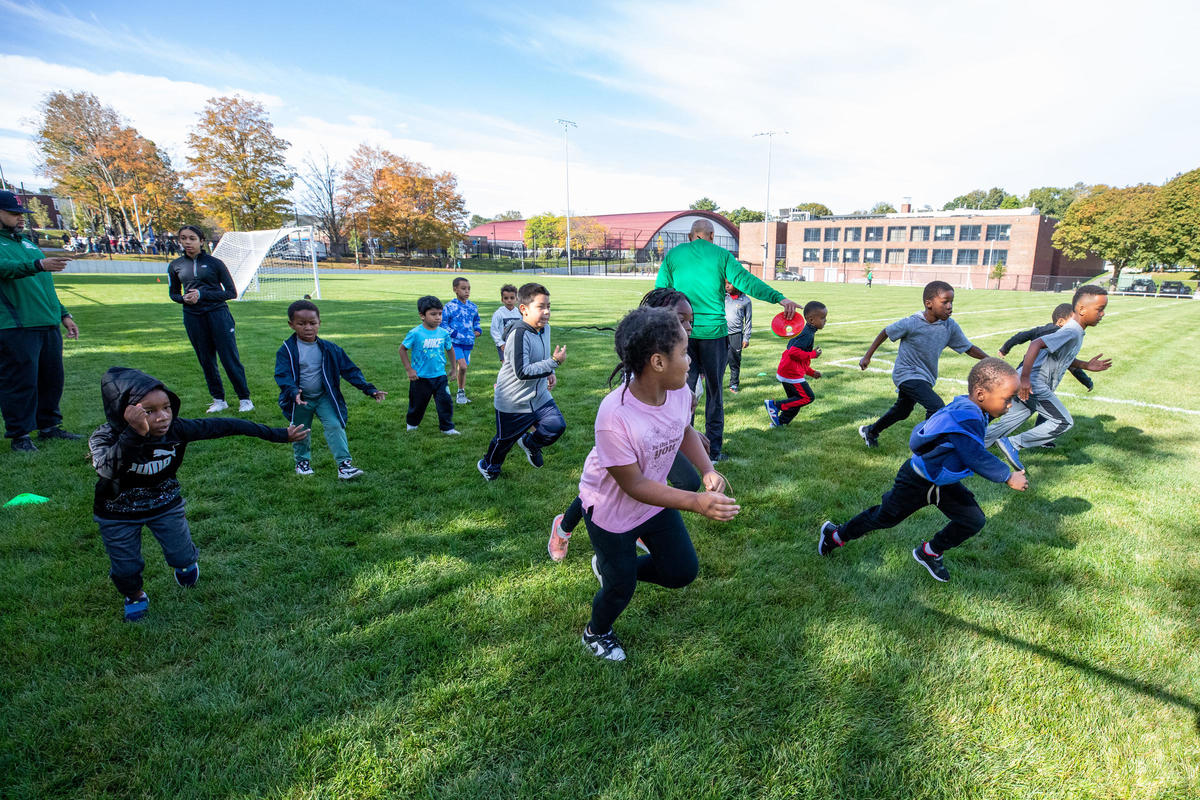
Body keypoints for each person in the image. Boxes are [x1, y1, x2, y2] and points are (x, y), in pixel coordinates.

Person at [576, 306, 740, 661]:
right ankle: (596, 631)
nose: (689, 360)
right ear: (657, 362)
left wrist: (707, 469)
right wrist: (695, 501)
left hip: (654, 500)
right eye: (683, 352)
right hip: (611, 510)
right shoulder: (614, 415)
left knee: (681, 571)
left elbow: (683, 431)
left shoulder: (679, 391)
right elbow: (632, 484)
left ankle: (613, 568)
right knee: (620, 588)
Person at [89, 367, 307, 621]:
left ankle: (185, 564)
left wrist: (280, 434)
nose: (162, 417)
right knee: (125, 567)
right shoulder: (105, 437)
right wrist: (134, 433)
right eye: (149, 411)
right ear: (124, 411)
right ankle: (135, 595)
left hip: (165, 504)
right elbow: (107, 469)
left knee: (181, 555)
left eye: (166, 407)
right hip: (117, 513)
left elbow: (227, 425)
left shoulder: (177, 429)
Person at [818, 358, 1028, 583]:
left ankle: (930, 552)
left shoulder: (972, 409)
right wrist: (1007, 476)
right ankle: (836, 535)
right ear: (980, 394)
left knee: (972, 519)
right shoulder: (967, 416)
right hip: (916, 481)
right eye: (1007, 400)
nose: (1009, 406)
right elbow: (974, 455)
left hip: (941, 482)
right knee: (885, 517)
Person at [547, 288, 704, 563]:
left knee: (685, 481)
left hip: (658, 441)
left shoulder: (676, 368)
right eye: (681, 320)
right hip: (626, 450)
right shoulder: (635, 388)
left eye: (690, 320)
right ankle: (564, 527)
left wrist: (687, 432)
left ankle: (641, 525)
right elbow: (644, 419)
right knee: (597, 493)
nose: (688, 327)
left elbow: (678, 418)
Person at [655, 218, 799, 460]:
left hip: (682, 335)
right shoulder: (721, 255)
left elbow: (660, 294)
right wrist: (779, 298)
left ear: (691, 236)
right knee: (714, 393)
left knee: (681, 393)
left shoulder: (674, 255)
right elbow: (746, 281)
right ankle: (714, 451)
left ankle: (681, 450)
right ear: (711, 236)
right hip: (714, 335)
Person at [984, 285, 1111, 467]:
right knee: (1063, 422)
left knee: (1013, 418)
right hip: (1034, 382)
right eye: (1100, 309)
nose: (1103, 314)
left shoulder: (1076, 331)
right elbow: (1035, 344)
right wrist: (1026, 379)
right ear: (1082, 309)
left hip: (1028, 380)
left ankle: (973, 444)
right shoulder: (1072, 330)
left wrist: (1084, 365)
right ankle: (1013, 443)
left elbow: (1061, 356)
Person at [857, 281, 987, 448]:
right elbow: (886, 332)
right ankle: (925, 446)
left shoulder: (949, 326)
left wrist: (990, 361)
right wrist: (867, 356)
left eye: (951, 302)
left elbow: (968, 348)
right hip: (906, 373)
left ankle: (871, 431)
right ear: (929, 304)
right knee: (936, 406)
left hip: (926, 376)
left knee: (903, 411)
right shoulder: (912, 323)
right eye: (945, 302)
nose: (950, 306)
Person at [0, 190, 81, 452]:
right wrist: (38, 264)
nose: (21, 218)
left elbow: (45, 286)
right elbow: (7, 269)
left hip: (46, 323)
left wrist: (63, 314)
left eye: (23, 214)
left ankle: (49, 427)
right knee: (21, 381)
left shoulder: (28, 244)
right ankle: (20, 435)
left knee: (52, 378)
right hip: (16, 325)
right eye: (14, 213)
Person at [275, 299, 387, 480]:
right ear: (291, 325)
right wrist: (293, 391)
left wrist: (369, 389)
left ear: (320, 323)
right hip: (301, 399)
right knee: (300, 430)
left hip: (324, 397)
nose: (308, 328)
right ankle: (302, 463)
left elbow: (350, 370)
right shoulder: (287, 350)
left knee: (335, 425)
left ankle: (344, 466)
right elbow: (282, 374)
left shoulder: (330, 349)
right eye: (301, 324)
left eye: (312, 323)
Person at [477, 282, 565, 481]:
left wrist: (549, 371)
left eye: (548, 306)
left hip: (540, 395)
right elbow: (522, 371)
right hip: (513, 401)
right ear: (524, 309)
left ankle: (530, 444)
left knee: (555, 426)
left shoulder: (546, 329)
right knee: (504, 441)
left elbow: (540, 359)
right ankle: (488, 465)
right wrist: (552, 363)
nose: (547, 312)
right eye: (541, 307)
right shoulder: (519, 333)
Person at [167, 225, 253, 414]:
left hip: (218, 315)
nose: (187, 242)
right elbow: (173, 293)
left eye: (192, 238)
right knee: (206, 360)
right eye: (183, 238)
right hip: (193, 317)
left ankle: (245, 399)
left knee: (229, 359)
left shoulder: (215, 263)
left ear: (201, 241)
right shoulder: (175, 266)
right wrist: (183, 299)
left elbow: (231, 292)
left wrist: (202, 294)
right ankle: (218, 400)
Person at [399, 296, 458, 437]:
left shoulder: (443, 333)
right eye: (433, 314)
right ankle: (412, 424)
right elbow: (402, 349)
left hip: (440, 376)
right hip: (420, 377)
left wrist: (453, 368)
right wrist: (409, 369)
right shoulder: (415, 333)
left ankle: (447, 427)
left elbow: (449, 349)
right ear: (422, 316)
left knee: (445, 402)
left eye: (440, 313)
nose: (438, 318)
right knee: (417, 403)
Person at [765, 301, 827, 427]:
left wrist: (811, 372)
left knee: (796, 401)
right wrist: (813, 354)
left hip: (788, 370)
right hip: (791, 373)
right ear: (811, 320)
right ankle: (775, 406)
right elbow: (793, 352)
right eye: (822, 318)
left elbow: (800, 359)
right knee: (808, 397)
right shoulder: (807, 334)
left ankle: (780, 423)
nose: (825, 320)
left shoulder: (806, 331)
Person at [440, 276, 483, 405]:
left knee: (463, 368)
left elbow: (476, 320)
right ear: (455, 290)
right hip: (454, 343)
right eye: (463, 289)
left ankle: (460, 391)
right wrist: (454, 333)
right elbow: (443, 324)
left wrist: (478, 330)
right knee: (463, 366)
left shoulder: (473, 306)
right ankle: (458, 393)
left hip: (468, 343)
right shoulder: (449, 306)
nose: (467, 291)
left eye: (469, 289)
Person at [724, 280, 752, 392]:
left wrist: (746, 338)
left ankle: (734, 384)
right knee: (720, 360)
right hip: (722, 334)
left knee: (734, 360)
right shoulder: (723, 298)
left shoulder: (745, 301)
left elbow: (748, 321)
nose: (727, 286)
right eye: (725, 283)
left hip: (736, 335)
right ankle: (716, 383)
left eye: (729, 283)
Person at [490, 283, 522, 361]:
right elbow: (494, 330)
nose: (509, 300)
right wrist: (500, 343)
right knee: (505, 366)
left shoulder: (520, 313)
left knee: (516, 365)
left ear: (516, 299)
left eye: (512, 298)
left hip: (516, 344)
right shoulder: (499, 313)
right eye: (506, 298)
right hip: (503, 344)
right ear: (502, 299)